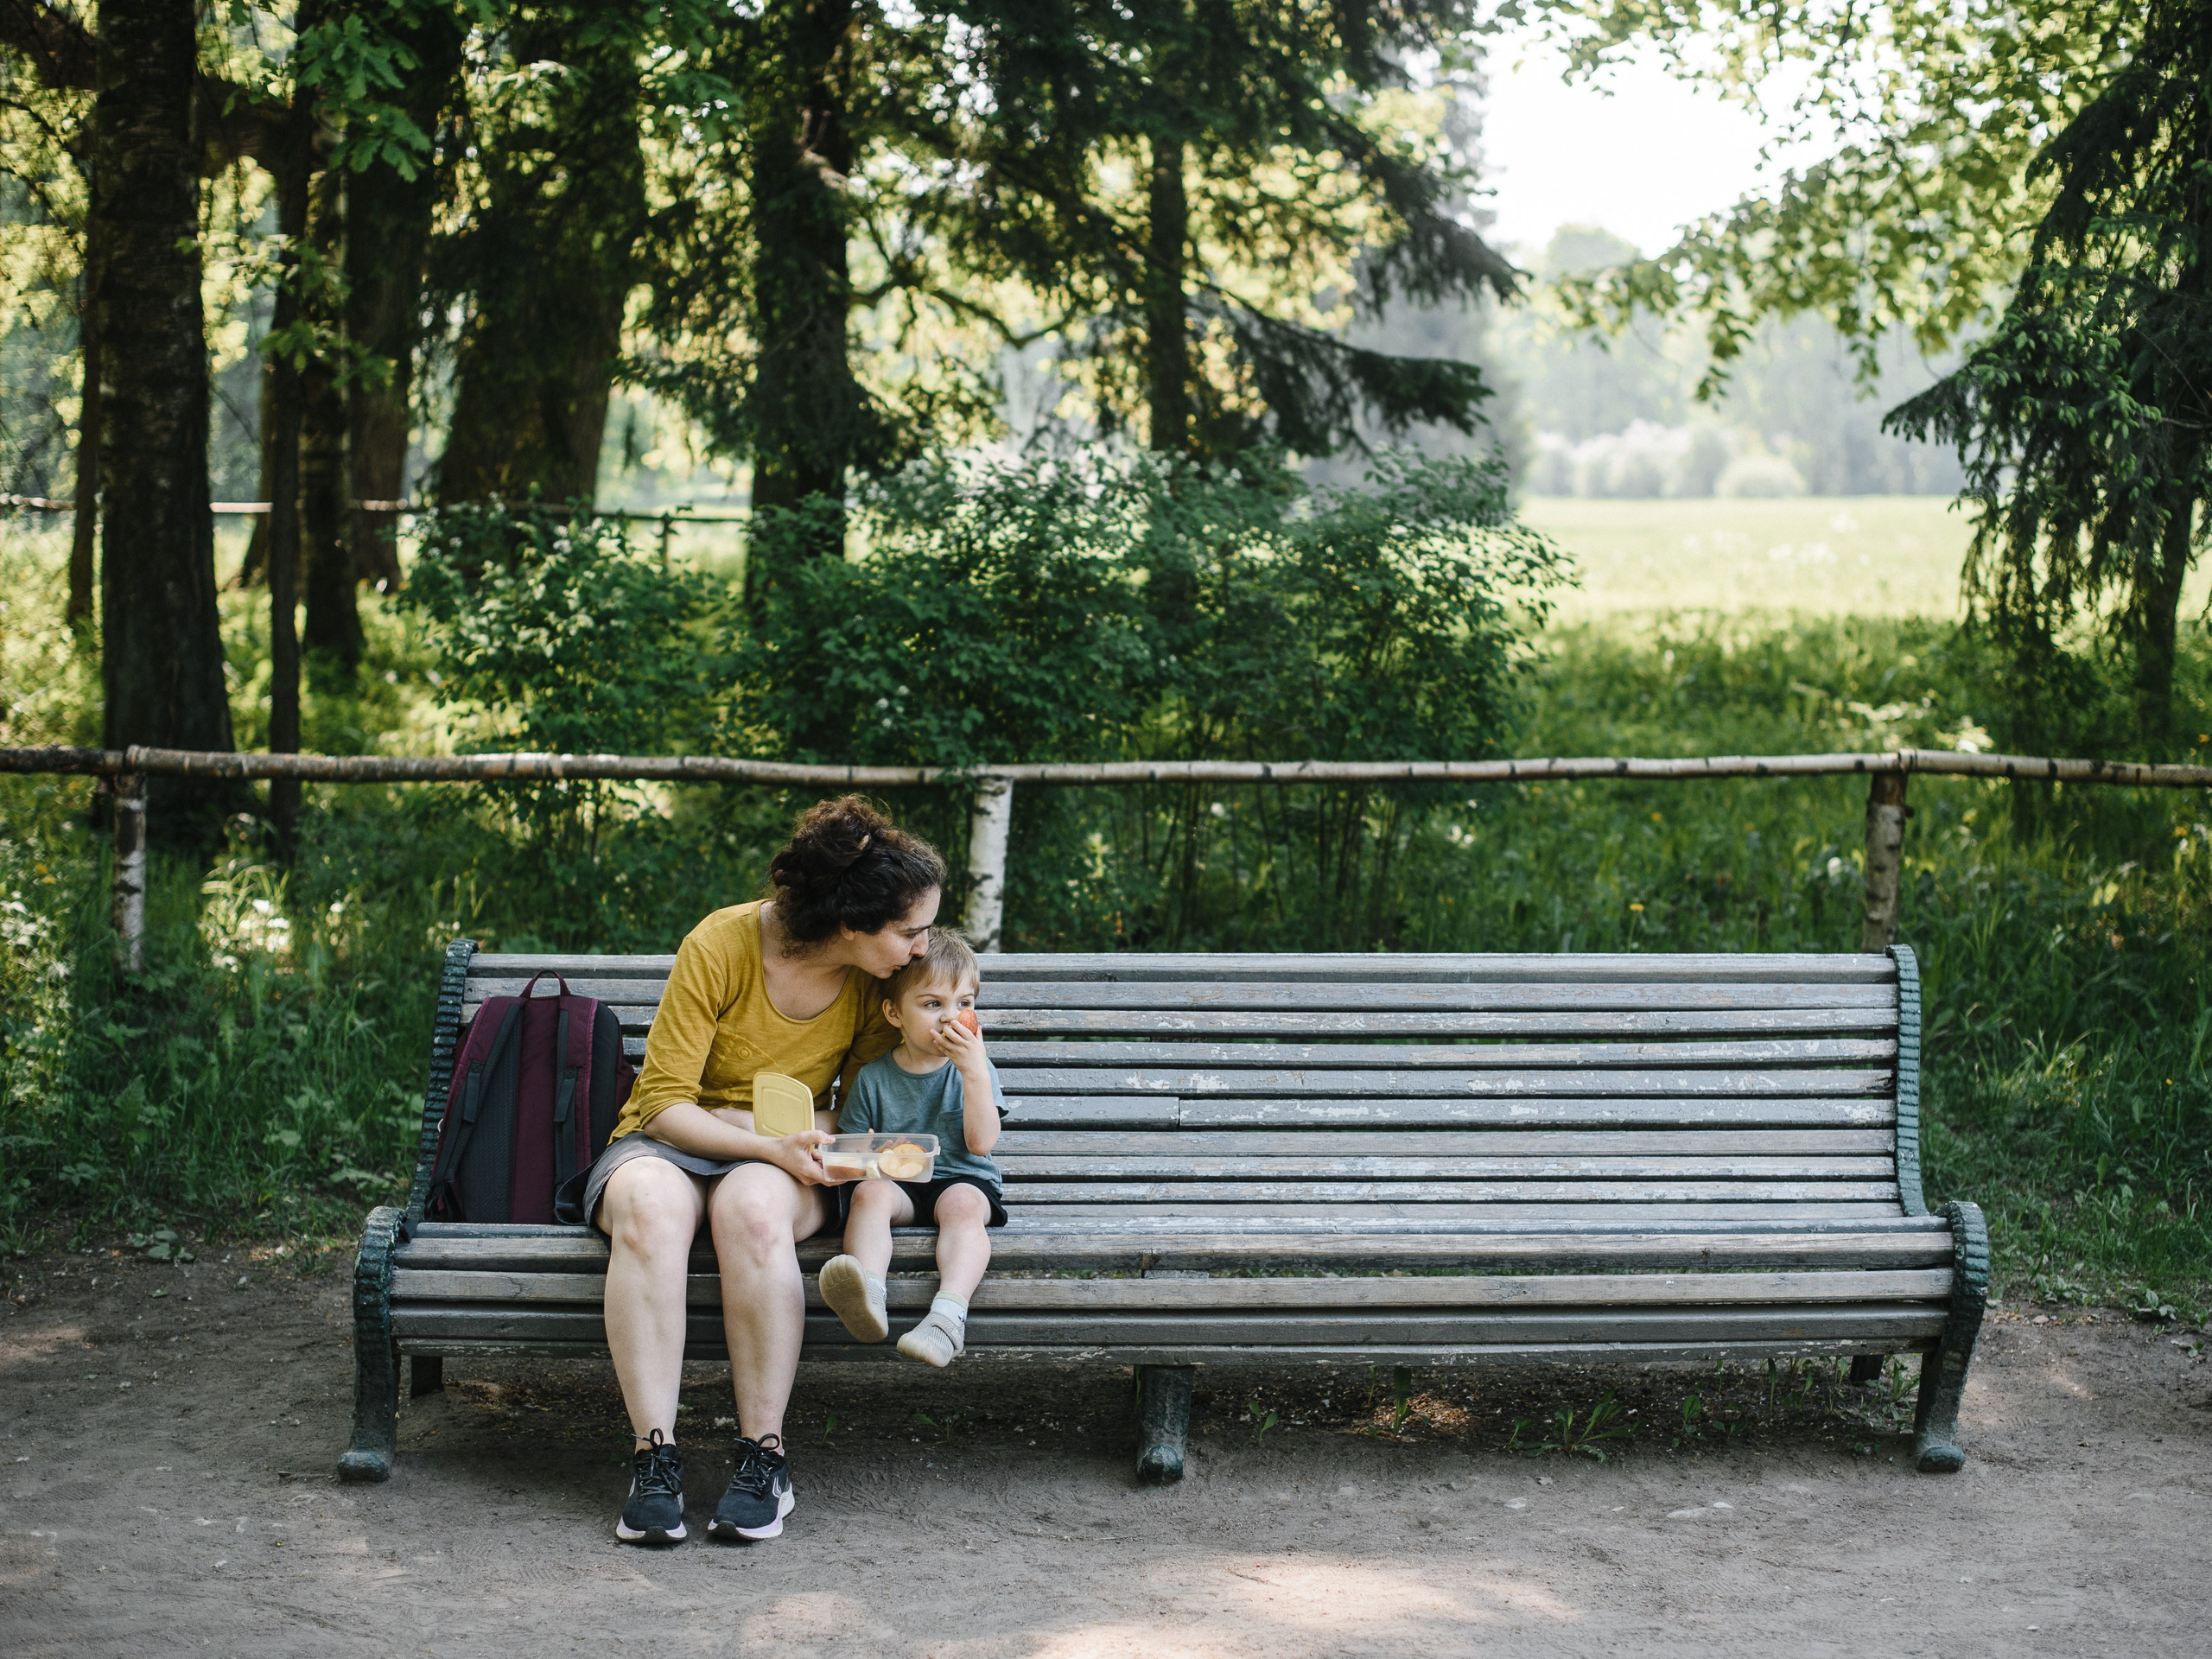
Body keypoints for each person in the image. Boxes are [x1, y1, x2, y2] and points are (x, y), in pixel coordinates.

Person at [572, 796, 944, 1548]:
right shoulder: (723, 942)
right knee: (647, 1206)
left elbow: (873, 1111)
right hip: (675, 1141)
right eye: (909, 930)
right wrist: (753, 1135)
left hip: (786, 1152)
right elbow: (662, 1105)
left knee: (751, 1209)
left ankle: (762, 1460)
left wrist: (799, 1139)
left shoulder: (880, 987)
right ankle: (654, 1459)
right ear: (849, 922)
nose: (920, 947)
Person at [817, 930, 1007, 1366]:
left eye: (964, 1003)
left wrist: (974, 1073)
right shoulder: (872, 1078)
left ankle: (946, 1319)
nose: (950, 1017)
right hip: (898, 1182)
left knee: (960, 1205)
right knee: (869, 1193)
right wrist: (859, 1156)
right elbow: (855, 1152)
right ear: (894, 1013)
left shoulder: (975, 1068)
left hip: (964, 1178)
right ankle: (868, 1294)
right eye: (932, 1003)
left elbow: (981, 1145)